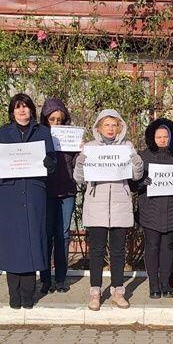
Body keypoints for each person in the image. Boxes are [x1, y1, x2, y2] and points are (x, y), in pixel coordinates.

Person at [0, 93, 56, 309]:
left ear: (31, 110)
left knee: (32, 241)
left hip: (34, 192)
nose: (22, 110)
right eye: (17, 107)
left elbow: (52, 161)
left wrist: (50, 162)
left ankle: (28, 294)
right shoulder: (2, 133)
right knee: (12, 243)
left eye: (25, 106)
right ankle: (13, 294)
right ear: (12, 111)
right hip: (10, 193)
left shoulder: (43, 132)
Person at [73, 109, 144, 311]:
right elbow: (78, 178)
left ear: (120, 127)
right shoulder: (89, 148)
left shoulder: (127, 147)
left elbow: (136, 176)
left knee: (118, 251)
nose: (111, 129)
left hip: (120, 205)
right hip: (97, 206)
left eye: (114, 125)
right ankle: (95, 292)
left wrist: (136, 161)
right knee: (96, 251)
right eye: (106, 125)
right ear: (99, 127)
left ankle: (118, 292)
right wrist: (81, 160)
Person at [136, 118, 173, 298]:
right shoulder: (143, 156)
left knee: (168, 247)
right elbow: (133, 183)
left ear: (171, 136)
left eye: (165, 136)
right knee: (152, 246)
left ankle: (166, 283)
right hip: (150, 210)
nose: (162, 140)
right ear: (152, 137)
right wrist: (142, 183)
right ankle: (153, 284)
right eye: (159, 137)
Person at [40, 98, 78, 294]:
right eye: (52, 119)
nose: (56, 123)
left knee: (63, 235)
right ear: (45, 119)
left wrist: (81, 151)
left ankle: (61, 278)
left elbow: (78, 165)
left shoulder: (71, 137)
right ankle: (45, 278)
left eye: (59, 120)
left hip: (67, 190)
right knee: (46, 234)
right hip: (45, 191)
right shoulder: (38, 135)